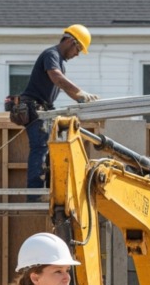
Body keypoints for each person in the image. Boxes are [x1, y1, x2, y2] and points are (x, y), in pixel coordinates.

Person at [20, 25, 100, 193]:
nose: (77, 54)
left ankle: (48, 189)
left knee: (49, 148)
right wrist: (79, 92)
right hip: (35, 109)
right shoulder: (52, 54)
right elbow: (57, 78)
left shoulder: (59, 61)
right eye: (78, 49)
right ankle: (34, 193)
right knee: (40, 147)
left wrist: (80, 98)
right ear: (71, 42)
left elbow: (62, 84)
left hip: (45, 109)